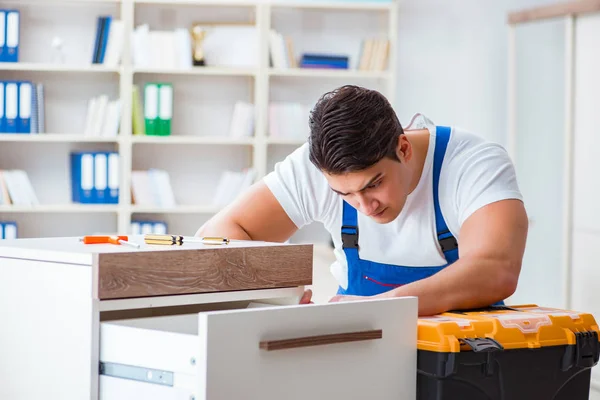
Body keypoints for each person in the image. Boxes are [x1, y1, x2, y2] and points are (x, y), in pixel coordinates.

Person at [196, 85, 528, 316]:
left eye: (374, 184)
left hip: (463, 362)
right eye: (345, 195)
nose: (365, 206)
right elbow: (220, 234)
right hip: (360, 350)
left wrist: (384, 307)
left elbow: (495, 270)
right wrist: (277, 300)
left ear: (403, 148)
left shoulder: (473, 164)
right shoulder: (315, 166)